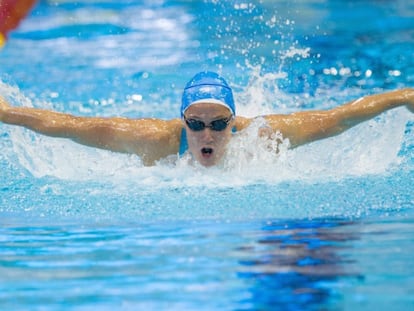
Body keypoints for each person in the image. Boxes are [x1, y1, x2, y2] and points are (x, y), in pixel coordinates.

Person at [1, 71, 413, 167]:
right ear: (182, 122)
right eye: (195, 124)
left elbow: (340, 117)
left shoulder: (264, 136)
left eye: (219, 123)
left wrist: (401, 98)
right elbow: (66, 124)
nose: (206, 133)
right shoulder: (153, 139)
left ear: (234, 122)